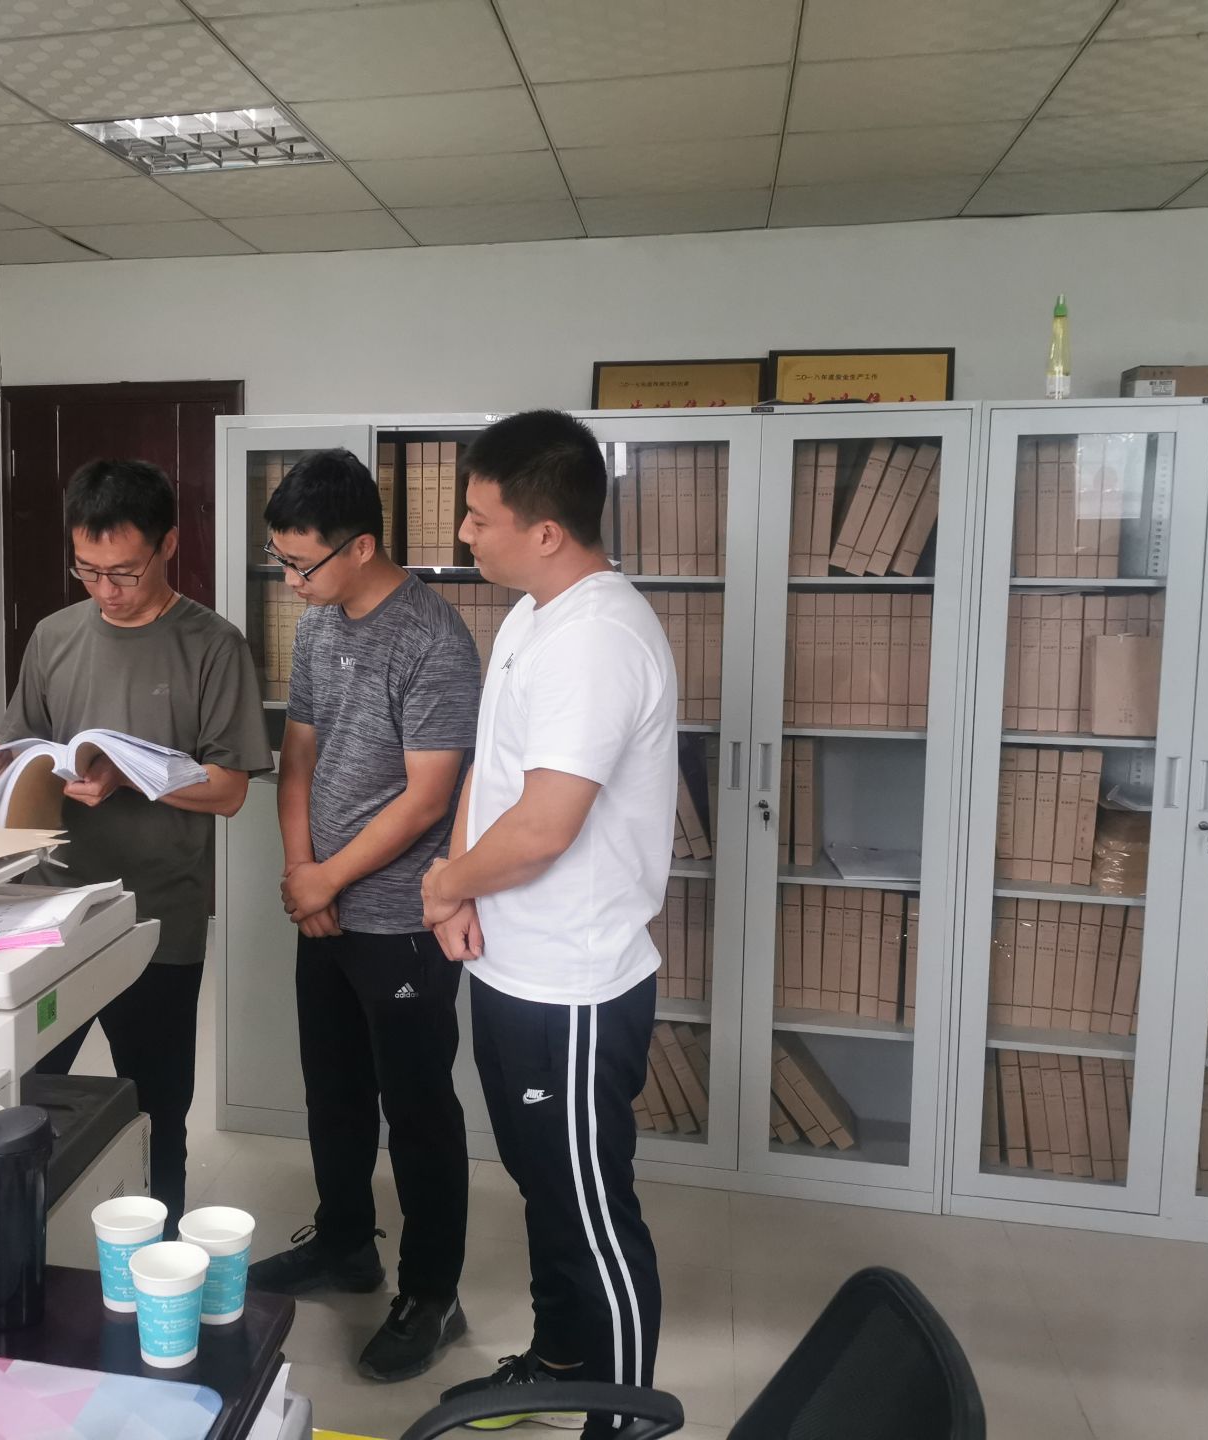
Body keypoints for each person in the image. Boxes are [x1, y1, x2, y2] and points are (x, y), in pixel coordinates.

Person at [422, 411, 676, 1436]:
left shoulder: (597, 640)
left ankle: (626, 1420)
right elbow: (495, 772)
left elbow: (543, 826)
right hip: (512, 967)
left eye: (479, 517)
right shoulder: (535, 614)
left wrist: (444, 884)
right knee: (545, 1189)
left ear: (546, 531)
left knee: (592, 1215)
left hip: (573, 987)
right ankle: (561, 1361)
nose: (464, 534)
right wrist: (460, 885)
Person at [0, 458, 270, 1230]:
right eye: (88, 570)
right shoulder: (54, 636)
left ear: (168, 545)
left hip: (156, 915)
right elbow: (25, 739)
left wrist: (130, 777)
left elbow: (229, 789)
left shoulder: (212, 645)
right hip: (50, 915)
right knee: (20, 1103)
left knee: (158, 1110)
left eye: (124, 572)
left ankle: (160, 1255)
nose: (106, 590)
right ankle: (23, 1255)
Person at [245, 449, 480, 1381]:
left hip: (404, 920)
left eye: (301, 564)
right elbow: (297, 756)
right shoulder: (317, 625)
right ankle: (347, 1242)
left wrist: (329, 879)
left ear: (363, 547)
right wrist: (302, 874)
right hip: (327, 907)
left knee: (418, 1110)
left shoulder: (433, 638)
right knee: (333, 1090)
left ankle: (433, 1292)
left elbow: (429, 797)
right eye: (280, 560)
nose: (290, 581)